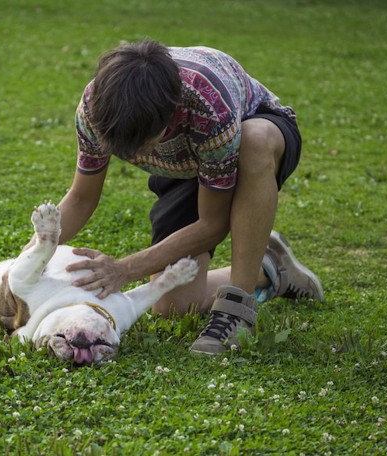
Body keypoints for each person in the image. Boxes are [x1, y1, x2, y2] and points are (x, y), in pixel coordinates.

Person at [48, 39, 323, 355]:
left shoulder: (208, 105)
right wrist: (28, 258)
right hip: (187, 165)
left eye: (142, 144)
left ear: (169, 116)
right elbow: (81, 198)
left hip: (253, 135)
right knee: (173, 306)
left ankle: (236, 310)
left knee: (255, 140)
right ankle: (272, 267)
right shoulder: (96, 108)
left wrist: (124, 269)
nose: (134, 155)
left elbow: (212, 223)